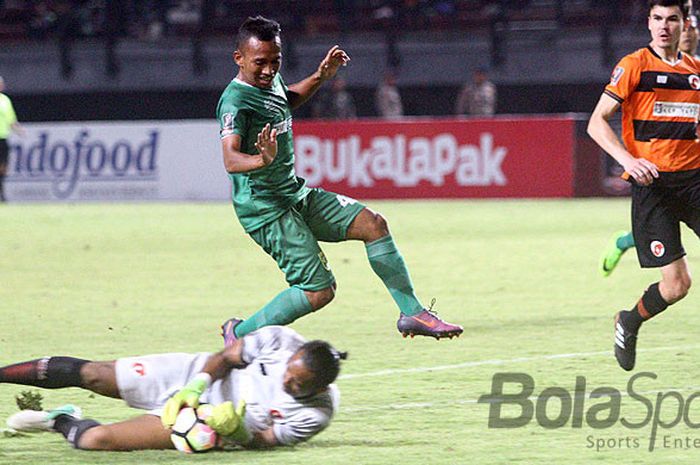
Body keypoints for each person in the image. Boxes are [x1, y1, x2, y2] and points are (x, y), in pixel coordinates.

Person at [216, 16, 462, 343]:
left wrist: (320, 76)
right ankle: (240, 334)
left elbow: (285, 100)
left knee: (373, 225)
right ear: (239, 59)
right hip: (266, 209)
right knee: (319, 291)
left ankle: (412, 313)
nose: (269, 70)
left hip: (293, 194)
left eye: (276, 61)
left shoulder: (268, 80)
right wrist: (262, 159)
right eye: (260, 63)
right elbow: (230, 159)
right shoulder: (234, 102)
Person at [2, 326, 345, 451]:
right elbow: (226, 357)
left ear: (321, 386)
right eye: (289, 372)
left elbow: (268, 441)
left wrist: (235, 430)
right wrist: (196, 385)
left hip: (201, 425)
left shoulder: (317, 413)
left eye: (297, 383)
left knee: (94, 441)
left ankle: (59, 420)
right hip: (188, 375)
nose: (287, 381)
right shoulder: (282, 340)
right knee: (93, 374)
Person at [587, 0, 700, 371]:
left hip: (694, 181)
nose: (664, 26)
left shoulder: (695, 71)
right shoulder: (633, 65)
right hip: (655, 189)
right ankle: (630, 320)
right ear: (649, 23)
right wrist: (629, 161)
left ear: (684, 25)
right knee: (677, 285)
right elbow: (597, 122)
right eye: (657, 19)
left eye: (672, 19)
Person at [598, 13, 699, 277]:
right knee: (664, 231)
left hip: (690, 170)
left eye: (691, 28)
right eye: (684, 26)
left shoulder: (694, 70)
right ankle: (624, 242)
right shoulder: (645, 66)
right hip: (659, 173)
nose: (687, 33)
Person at [0, 76, 24, 202]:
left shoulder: (5, 100)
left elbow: (11, 119)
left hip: (3, 137)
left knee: (3, 167)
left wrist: (18, 129)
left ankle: (2, 193)